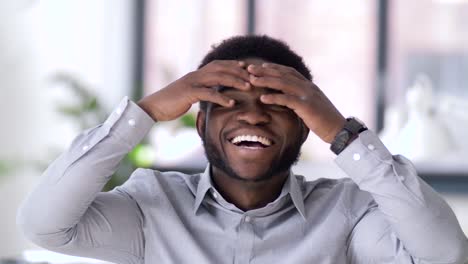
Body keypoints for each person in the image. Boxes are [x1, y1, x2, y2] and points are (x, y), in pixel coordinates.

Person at [18, 35, 467, 264]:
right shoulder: (150, 206)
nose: (252, 117)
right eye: (229, 103)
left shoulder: (347, 215)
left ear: (308, 128)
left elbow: (445, 255)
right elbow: (44, 226)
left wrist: (342, 132)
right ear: (202, 123)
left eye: (277, 105)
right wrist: (149, 110)